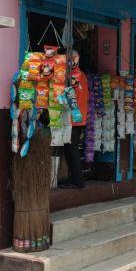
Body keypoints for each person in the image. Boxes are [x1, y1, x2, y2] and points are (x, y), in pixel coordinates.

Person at [59, 51, 89, 190]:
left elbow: (68, 98)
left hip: (73, 119)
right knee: (70, 149)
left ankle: (77, 181)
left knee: (71, 150)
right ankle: (75, 180)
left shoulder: (72, 76)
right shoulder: (81, 75)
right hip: (78, 118)